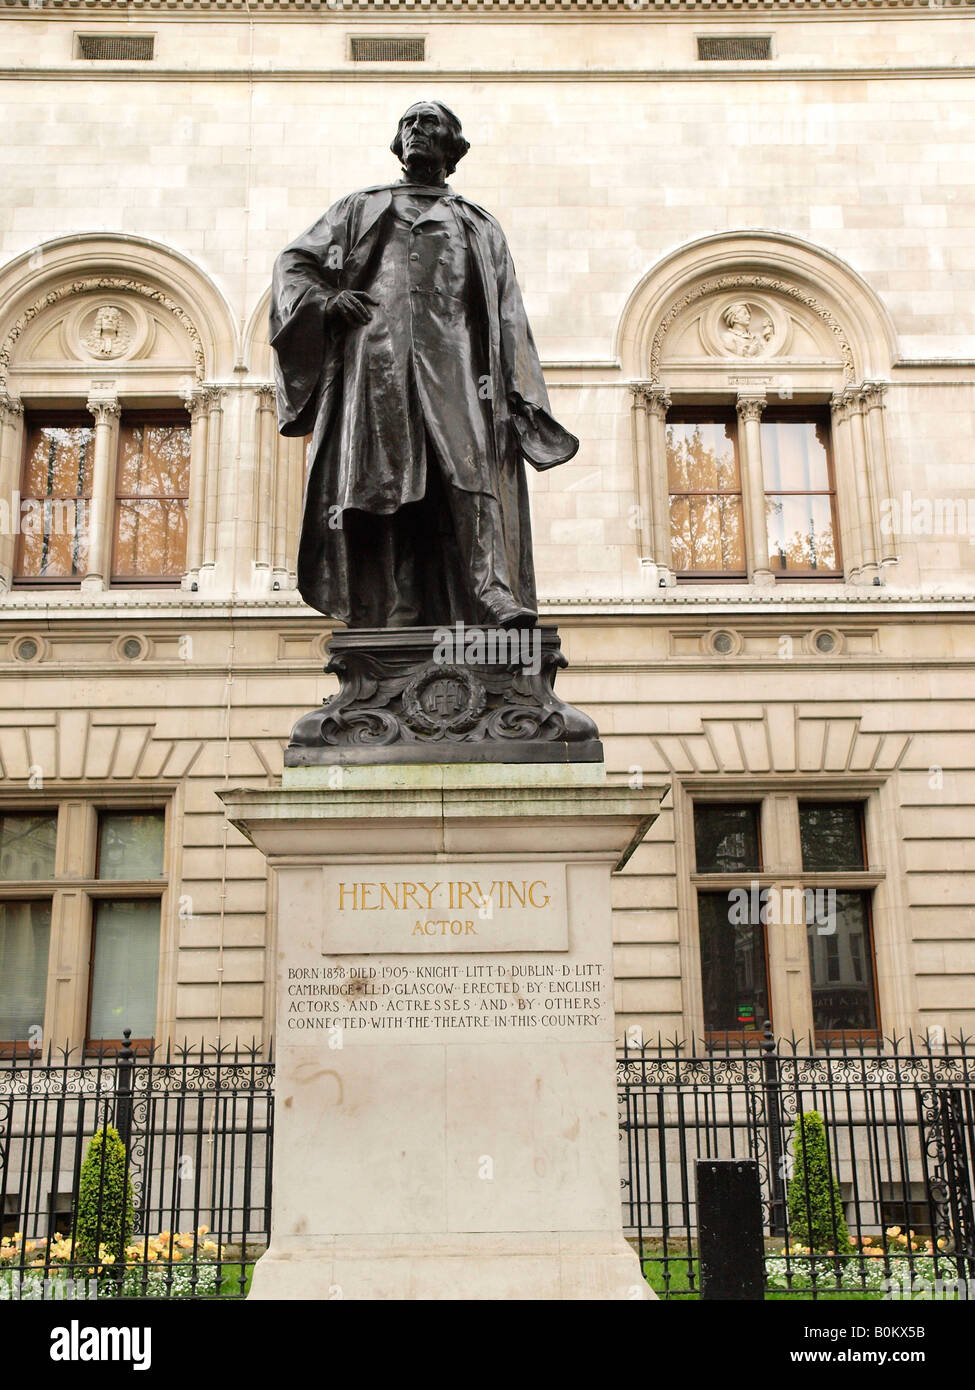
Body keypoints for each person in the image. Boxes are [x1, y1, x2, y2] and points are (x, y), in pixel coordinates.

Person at [269, 101, 578, 629]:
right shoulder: (359, 207)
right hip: (378, 361)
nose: (416, 130)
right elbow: (293, 264)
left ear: (453, 147)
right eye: (408, 123)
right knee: (385, 481)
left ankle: (491, 590)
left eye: (429, 123)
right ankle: (397, 604)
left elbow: (508, 311)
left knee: (469, 471)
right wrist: (325, 300)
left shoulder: (477, 223)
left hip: (459, 367)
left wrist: (519, 393)